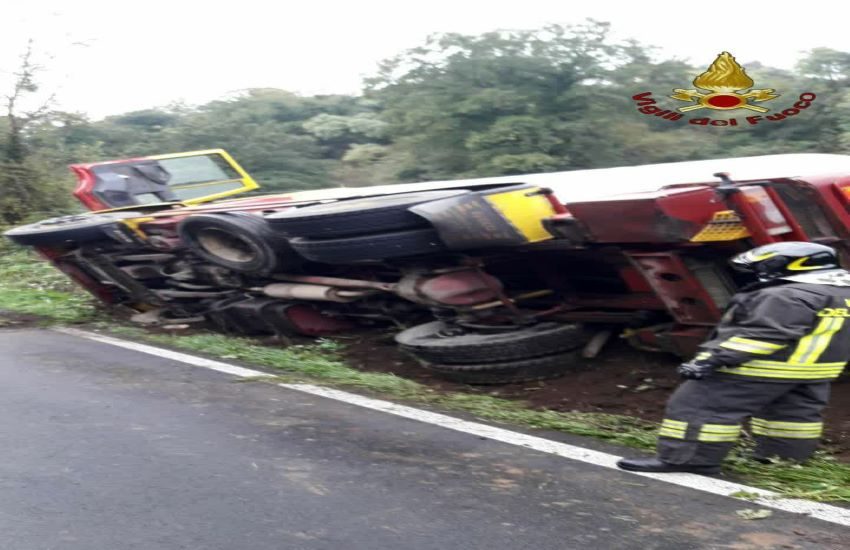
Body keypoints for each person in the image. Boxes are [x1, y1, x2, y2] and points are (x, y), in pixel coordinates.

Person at [617, 241, 850, 474]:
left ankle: (688, 459)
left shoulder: (785, 295)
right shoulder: (841, 293)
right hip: (815, 371)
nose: (758, 273)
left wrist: (713, 359)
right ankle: (784, 462)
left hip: (760, 367)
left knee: (699, 406)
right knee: (792, 416)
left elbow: (764, 335)